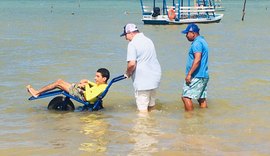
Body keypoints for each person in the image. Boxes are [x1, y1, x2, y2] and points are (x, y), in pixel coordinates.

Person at [120, 23, 162, 113]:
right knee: (151, 106)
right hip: (155, 78)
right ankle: (153, 125)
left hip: (143, 81)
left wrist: (127, 73)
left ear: (130, 33)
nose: (126, 38)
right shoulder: (148, 40)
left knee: (142, 111)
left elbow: (131, 64)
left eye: (125, 35)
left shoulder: (132, 44)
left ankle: (143, 126)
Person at [26, 68, 110, 103]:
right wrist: (87, 81)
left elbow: (88, 98)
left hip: (82, 96)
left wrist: (86, 85)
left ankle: (37, 93)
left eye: (97, 76)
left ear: (104, 79)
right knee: (60, 81)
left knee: (58, 83)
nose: (95, 78)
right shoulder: (102, 85)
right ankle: (37, 92)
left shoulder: (102, 87)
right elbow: (95, 87)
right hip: (82, 92)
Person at [181, 23, 209, 111]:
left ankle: (190, 120)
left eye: (187, 33)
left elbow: (197, 59)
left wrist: (189, 74)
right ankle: (202, 118)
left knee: (185, 97)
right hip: (203, 75)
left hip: (196, 75)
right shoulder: (203, 41)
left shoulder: (197, 43)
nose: (186, 35)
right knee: (201, 98)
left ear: (193, 33)